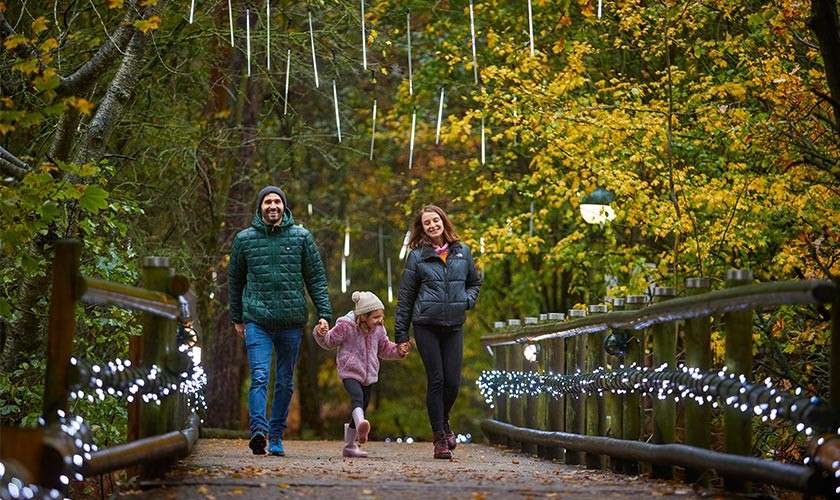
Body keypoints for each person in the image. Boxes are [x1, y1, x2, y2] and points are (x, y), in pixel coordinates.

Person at [229, 185, 332, 456]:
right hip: (257, 320)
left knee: (285, 381)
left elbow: (316, 279)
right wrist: (237, 317)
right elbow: (235, 281)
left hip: (291, 321)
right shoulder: (244, 239)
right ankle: (258, 432)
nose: (272, 206)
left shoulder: (301, 237)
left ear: (284, 207)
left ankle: (275, 435)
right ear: (260, 207)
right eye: (267, 202)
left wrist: (324, 314)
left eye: (277, 202)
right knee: (260, 376)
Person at [394, 205, 481, 459]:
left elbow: (474, 282)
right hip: (426, 325)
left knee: (453, 382)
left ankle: (444, 421)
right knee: (437, 380)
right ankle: (439, 439)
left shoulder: (462, 252)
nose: (432, 226)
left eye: (436, 220)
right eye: (427, 223)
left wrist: (466, 300)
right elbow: (406, 297)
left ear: (443, 221)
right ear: (421, 228)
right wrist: (401, 335)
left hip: (454, 325)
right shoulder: (417, 257)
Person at [314, 291, 407, 458]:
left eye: (381, 316)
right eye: (375, 317)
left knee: (362, 405)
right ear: (363, 316)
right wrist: (320, 332)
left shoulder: (379, 329)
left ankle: (350, 446)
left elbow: (384, 348)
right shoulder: (346, 326)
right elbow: (328, 341)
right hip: (350, 371)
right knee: (357, 398)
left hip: (369, 374)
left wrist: (398, 350)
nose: (380, 320)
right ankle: (361, 425)